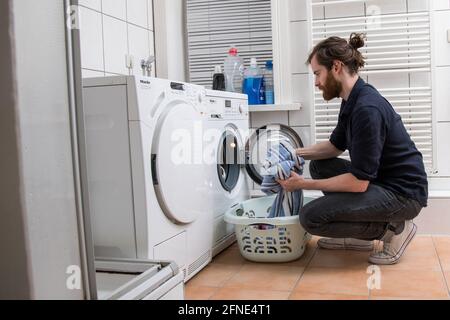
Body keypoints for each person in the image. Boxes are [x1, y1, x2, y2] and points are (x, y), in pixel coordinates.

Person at [278, 33, 428, 265]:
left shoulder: (366, 109)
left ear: (336, 67)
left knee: (310, 218)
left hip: (403, 194)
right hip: (381, 181)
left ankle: (394, 231)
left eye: (317, 74)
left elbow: (359, 183)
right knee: (320, 166)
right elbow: (334, 147)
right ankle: (360, 235)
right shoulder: (352, 99)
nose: (316, 82)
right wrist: (294, 152)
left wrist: (302, 184)